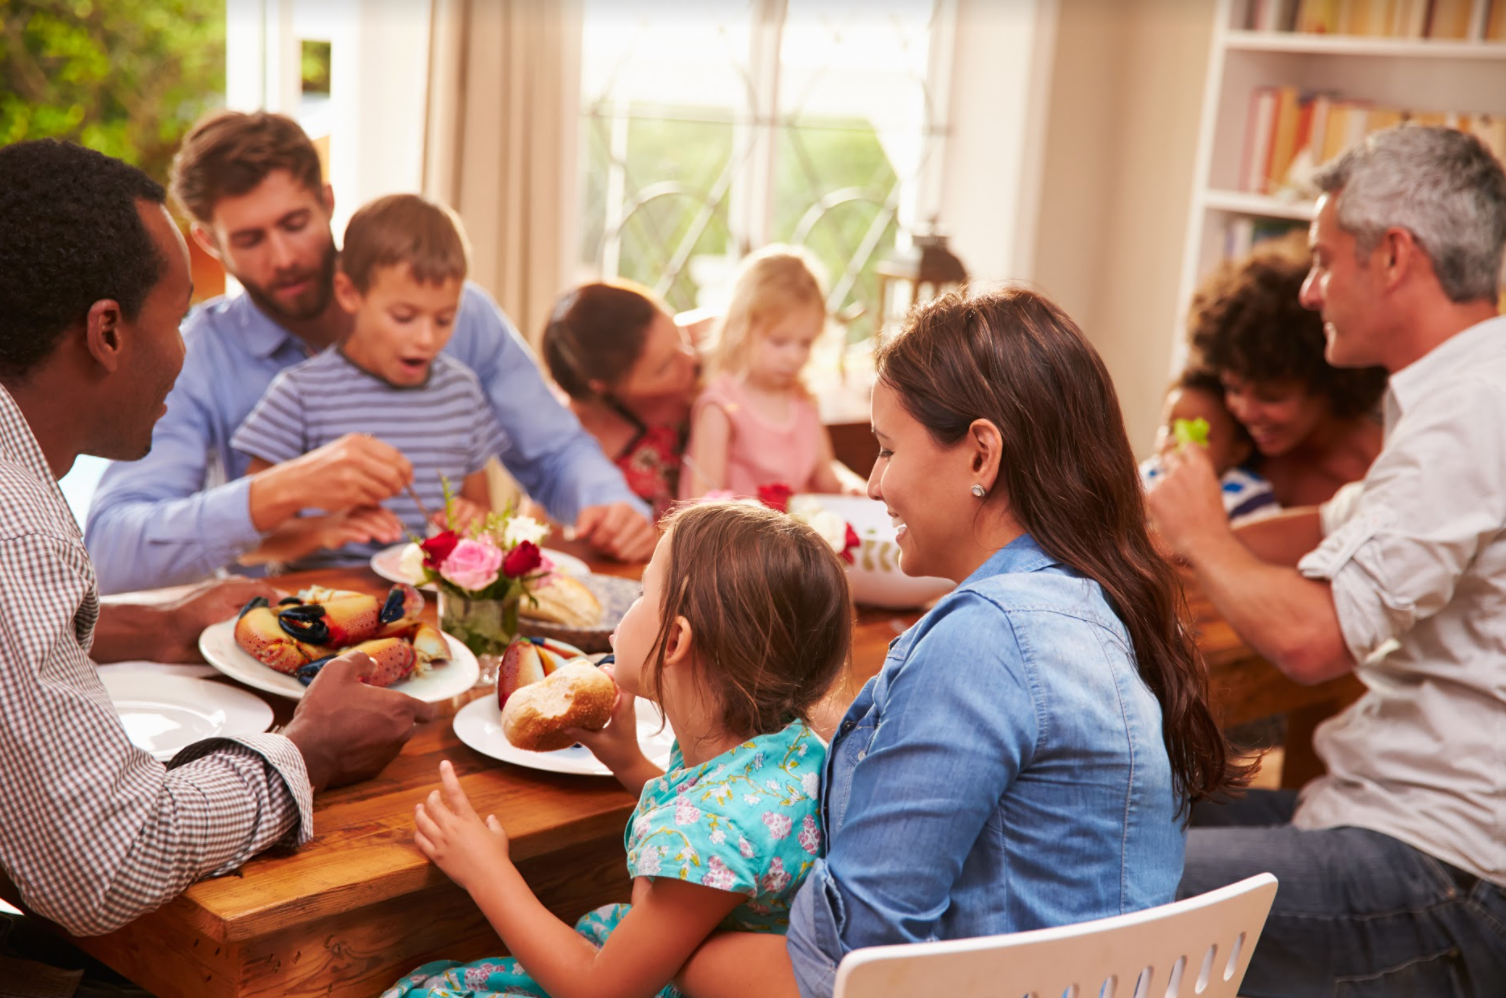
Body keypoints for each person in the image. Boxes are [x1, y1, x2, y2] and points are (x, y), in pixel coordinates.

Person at [673, 288, 1249, 998]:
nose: (876, 484)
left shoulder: (986, 640)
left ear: (981, 454)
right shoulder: (1098, 599)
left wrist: (672, 955)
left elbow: (855, 960)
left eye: (886, 449)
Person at [0, 140, 434, 993]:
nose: (187, 348)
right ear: (108, 331)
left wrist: (157, 626)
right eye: (177, 316)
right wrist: (308, 754)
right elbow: (106, 856)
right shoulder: (17, 531)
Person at [1147, 125, 1506, 997]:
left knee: (1085, 888)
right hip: (1385, 818)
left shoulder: (1474, 409)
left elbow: (1313, 642)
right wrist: (1143, 534)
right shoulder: (1462, 393)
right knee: (1090, 813)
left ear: (1393, 256)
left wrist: (1200, 535)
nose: (1309, 292)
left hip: (1446, 876)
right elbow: (1324, 529)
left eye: (1321, 259)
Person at [84, 111, 655, 594]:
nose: (283, 257)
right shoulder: (201, 352)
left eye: (295, 223)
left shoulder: (461, 315)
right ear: (209, 242)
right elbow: (109, 549)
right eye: (251, 239)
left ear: (327, 202)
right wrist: (278, 491)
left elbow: (553, 452)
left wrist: (609, 504)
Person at [383, 499, 853, 998]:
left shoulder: (703, 833)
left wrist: (486, 872)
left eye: (643, 592)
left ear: (672, 641)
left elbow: (599, 988)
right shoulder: (788, 745)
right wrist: (629, 763)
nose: (627, 608)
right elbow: (726, 820)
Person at [231, 193, 504, 570]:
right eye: (404, 316)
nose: (426, 338)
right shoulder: (300, 394)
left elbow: (484, 513)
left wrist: (472, 521)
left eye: (444, 319)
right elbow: (244, 543)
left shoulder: (463, 391)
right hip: (323, 606)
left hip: (429, 608)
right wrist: (322, 530)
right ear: (348, 293)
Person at [1187, 236, 1387, 507]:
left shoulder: (1384, 465)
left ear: (1331, 382)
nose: (1244, 411)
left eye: (1270, 396)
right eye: (1232, 388)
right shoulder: (1233, 451)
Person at [680, 245, 857, 500]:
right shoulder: (720, 406)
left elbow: (826, 476)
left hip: (795, 533)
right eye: (779, 341)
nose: (794, 356)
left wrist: (850, 486)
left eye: (805, 343)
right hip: (735, 536)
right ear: (741, 330)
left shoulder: (803, 399)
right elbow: (705, 499)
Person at [540, 281, 700, 517]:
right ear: (605, 386)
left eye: (681, 337)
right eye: (664, 368)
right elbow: (541, 534)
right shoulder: (577, 437)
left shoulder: (720, 336)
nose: (691, 358)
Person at [1140, 367, 1276, 522]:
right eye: (1171, 428)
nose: (1177, 442)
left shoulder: (1248, 496)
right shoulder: (1148, 475)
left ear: (1236, 452)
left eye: (1198, 436)